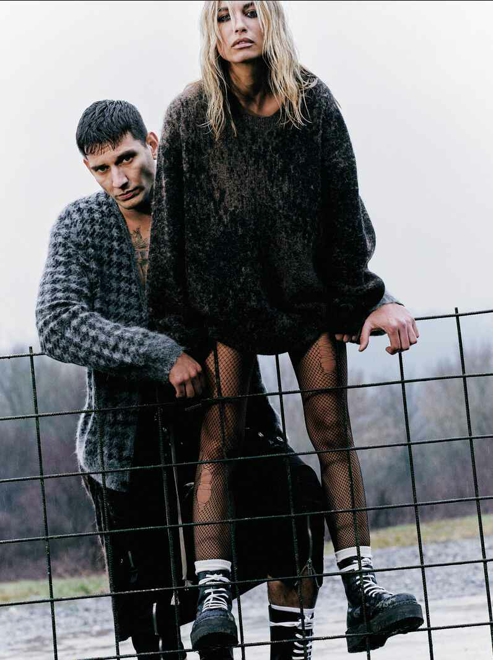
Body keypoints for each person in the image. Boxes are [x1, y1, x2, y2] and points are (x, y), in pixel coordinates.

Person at [147, 0, 425, 655]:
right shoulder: (190, 114)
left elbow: (343, 209)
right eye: (223, 16)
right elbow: (170, 233)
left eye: (250, 11)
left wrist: (367, 299)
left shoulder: (312, 103)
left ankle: (363, 593)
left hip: (307, 302)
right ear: (211, 32)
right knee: (218, 443)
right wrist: (173, 335)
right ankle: (214, 601)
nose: (238, 26)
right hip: (225, 308)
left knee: (333, 433)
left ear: (270, 19)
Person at [36, 99, 329, 660]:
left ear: (152, 142)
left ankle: (291, 653)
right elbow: (56, 323)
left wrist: (376, 300)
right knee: (158, 607)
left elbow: (298, 262)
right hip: (129, 438)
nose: (119, 179)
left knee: (294, 513)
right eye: (102, 169)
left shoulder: (201, 202)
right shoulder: (81, 225)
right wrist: (161, 354)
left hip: (230, 409)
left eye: (127, 158)